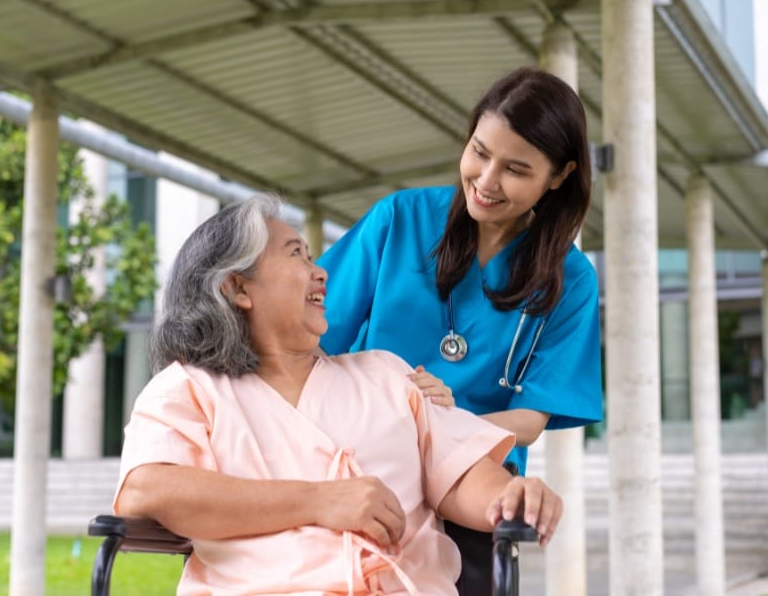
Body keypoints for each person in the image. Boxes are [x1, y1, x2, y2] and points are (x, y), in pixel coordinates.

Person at [114, 194, 564, 595]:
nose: (321, 273)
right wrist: (321, 501)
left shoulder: (387, 375)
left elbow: (462, 474)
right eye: (297, 255)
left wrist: (515, 495)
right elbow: (146, 489)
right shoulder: (189, 387)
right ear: (238, 287)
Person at [317, 67, 603, 592]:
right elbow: (310, 339)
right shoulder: (398, 219)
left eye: (516, 169)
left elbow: (532, 418)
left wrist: (443, 416)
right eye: (479, 152)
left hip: (473, 479)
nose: (486, 181)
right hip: (362, 461)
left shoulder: (571, 280)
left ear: (558, 176)